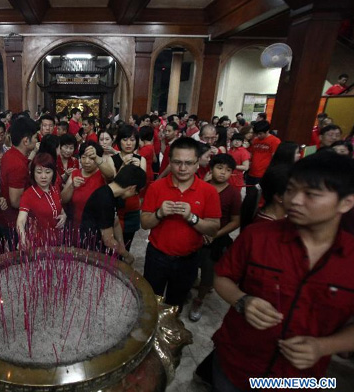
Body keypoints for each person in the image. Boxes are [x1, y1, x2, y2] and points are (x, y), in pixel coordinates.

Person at [211, 152, 354, 391]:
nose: (295, 201)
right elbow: (222, 277)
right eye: (291, 190)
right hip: (236, 364)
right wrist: (242, 300)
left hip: (297, 379)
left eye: (311, 194)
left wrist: (324, 347)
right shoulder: (257, 236)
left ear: (346, 202)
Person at [141, 137, 221, 307]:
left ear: (198, 163)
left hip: (189, 259)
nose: (183, 168)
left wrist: (192, 218)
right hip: (157, 256)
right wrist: (159, 213)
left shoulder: (209, 192)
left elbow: (213, 228)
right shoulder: (156, 187)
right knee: (150, 302)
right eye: (177, 162)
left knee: (175, 304)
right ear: (169, 162)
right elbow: (145, 223)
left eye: (189, 163)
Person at [188, 154, 241, 322]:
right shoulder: (201, 186)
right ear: (211, 169)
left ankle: (199, 299)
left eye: (228, 170)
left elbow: (236, 221)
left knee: (208, 273)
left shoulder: (233, 193)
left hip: (216, 240)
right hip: (194, 235)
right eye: (219, 168)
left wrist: (215, 234)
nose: (223, 173)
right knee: (188, 267)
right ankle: (188, 287)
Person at [80, 164, 146, 262]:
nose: (135, 195)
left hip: (102, 246)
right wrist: (127, 255)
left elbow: (116, 222)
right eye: (136, 192)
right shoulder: (104, 199)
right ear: (132, 188)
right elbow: (108, 241)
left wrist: (122, 247)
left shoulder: (115, 195)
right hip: (92, 250)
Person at [0, 117, 38, 241]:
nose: (37, 141)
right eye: (36, 137)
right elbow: (15, 201)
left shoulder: (11, 154)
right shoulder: (17, 164)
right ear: (26, 141)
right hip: (14, 222)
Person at [16, 153, 66, 246]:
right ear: (33, 173)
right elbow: (21, 220)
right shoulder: (28, 195)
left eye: (48, 172)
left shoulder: (55, 188)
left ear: (54, 173)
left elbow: (59, 208)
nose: (43, 176)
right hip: (37, 245)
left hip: (56, 241)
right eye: (39, 172)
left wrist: (64, 216)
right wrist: (22, 238)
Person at [61, 142, 112, 230]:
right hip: (77, 225)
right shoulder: (75, 173)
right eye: (83, 157)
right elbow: (63, 199)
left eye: (91, 158)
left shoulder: (102, 174)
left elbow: (111, 175)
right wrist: (72, 186)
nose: (87, 161)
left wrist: (96, 157)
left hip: (98, 226)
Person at [112, 125, 147, 251]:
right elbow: (112, 185)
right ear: (119, 140)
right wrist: (122, 167)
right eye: (125, 139)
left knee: (126, 246)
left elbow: (141, 186)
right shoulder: (112, 159)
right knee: (112, 248)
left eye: (132, 140)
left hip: (132, 208)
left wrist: (138, 170)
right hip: (115, 208)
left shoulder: (140, 159)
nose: (128, 143)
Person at [246, 120, 281, 186]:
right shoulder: (256, 140)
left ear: (267, 131)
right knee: (249, 194)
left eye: (260, 134)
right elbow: (252, 154)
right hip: (251, 173)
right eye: (256, 134)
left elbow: (275, 159)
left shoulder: (275, 141)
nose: (258, 136)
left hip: (263, 174)